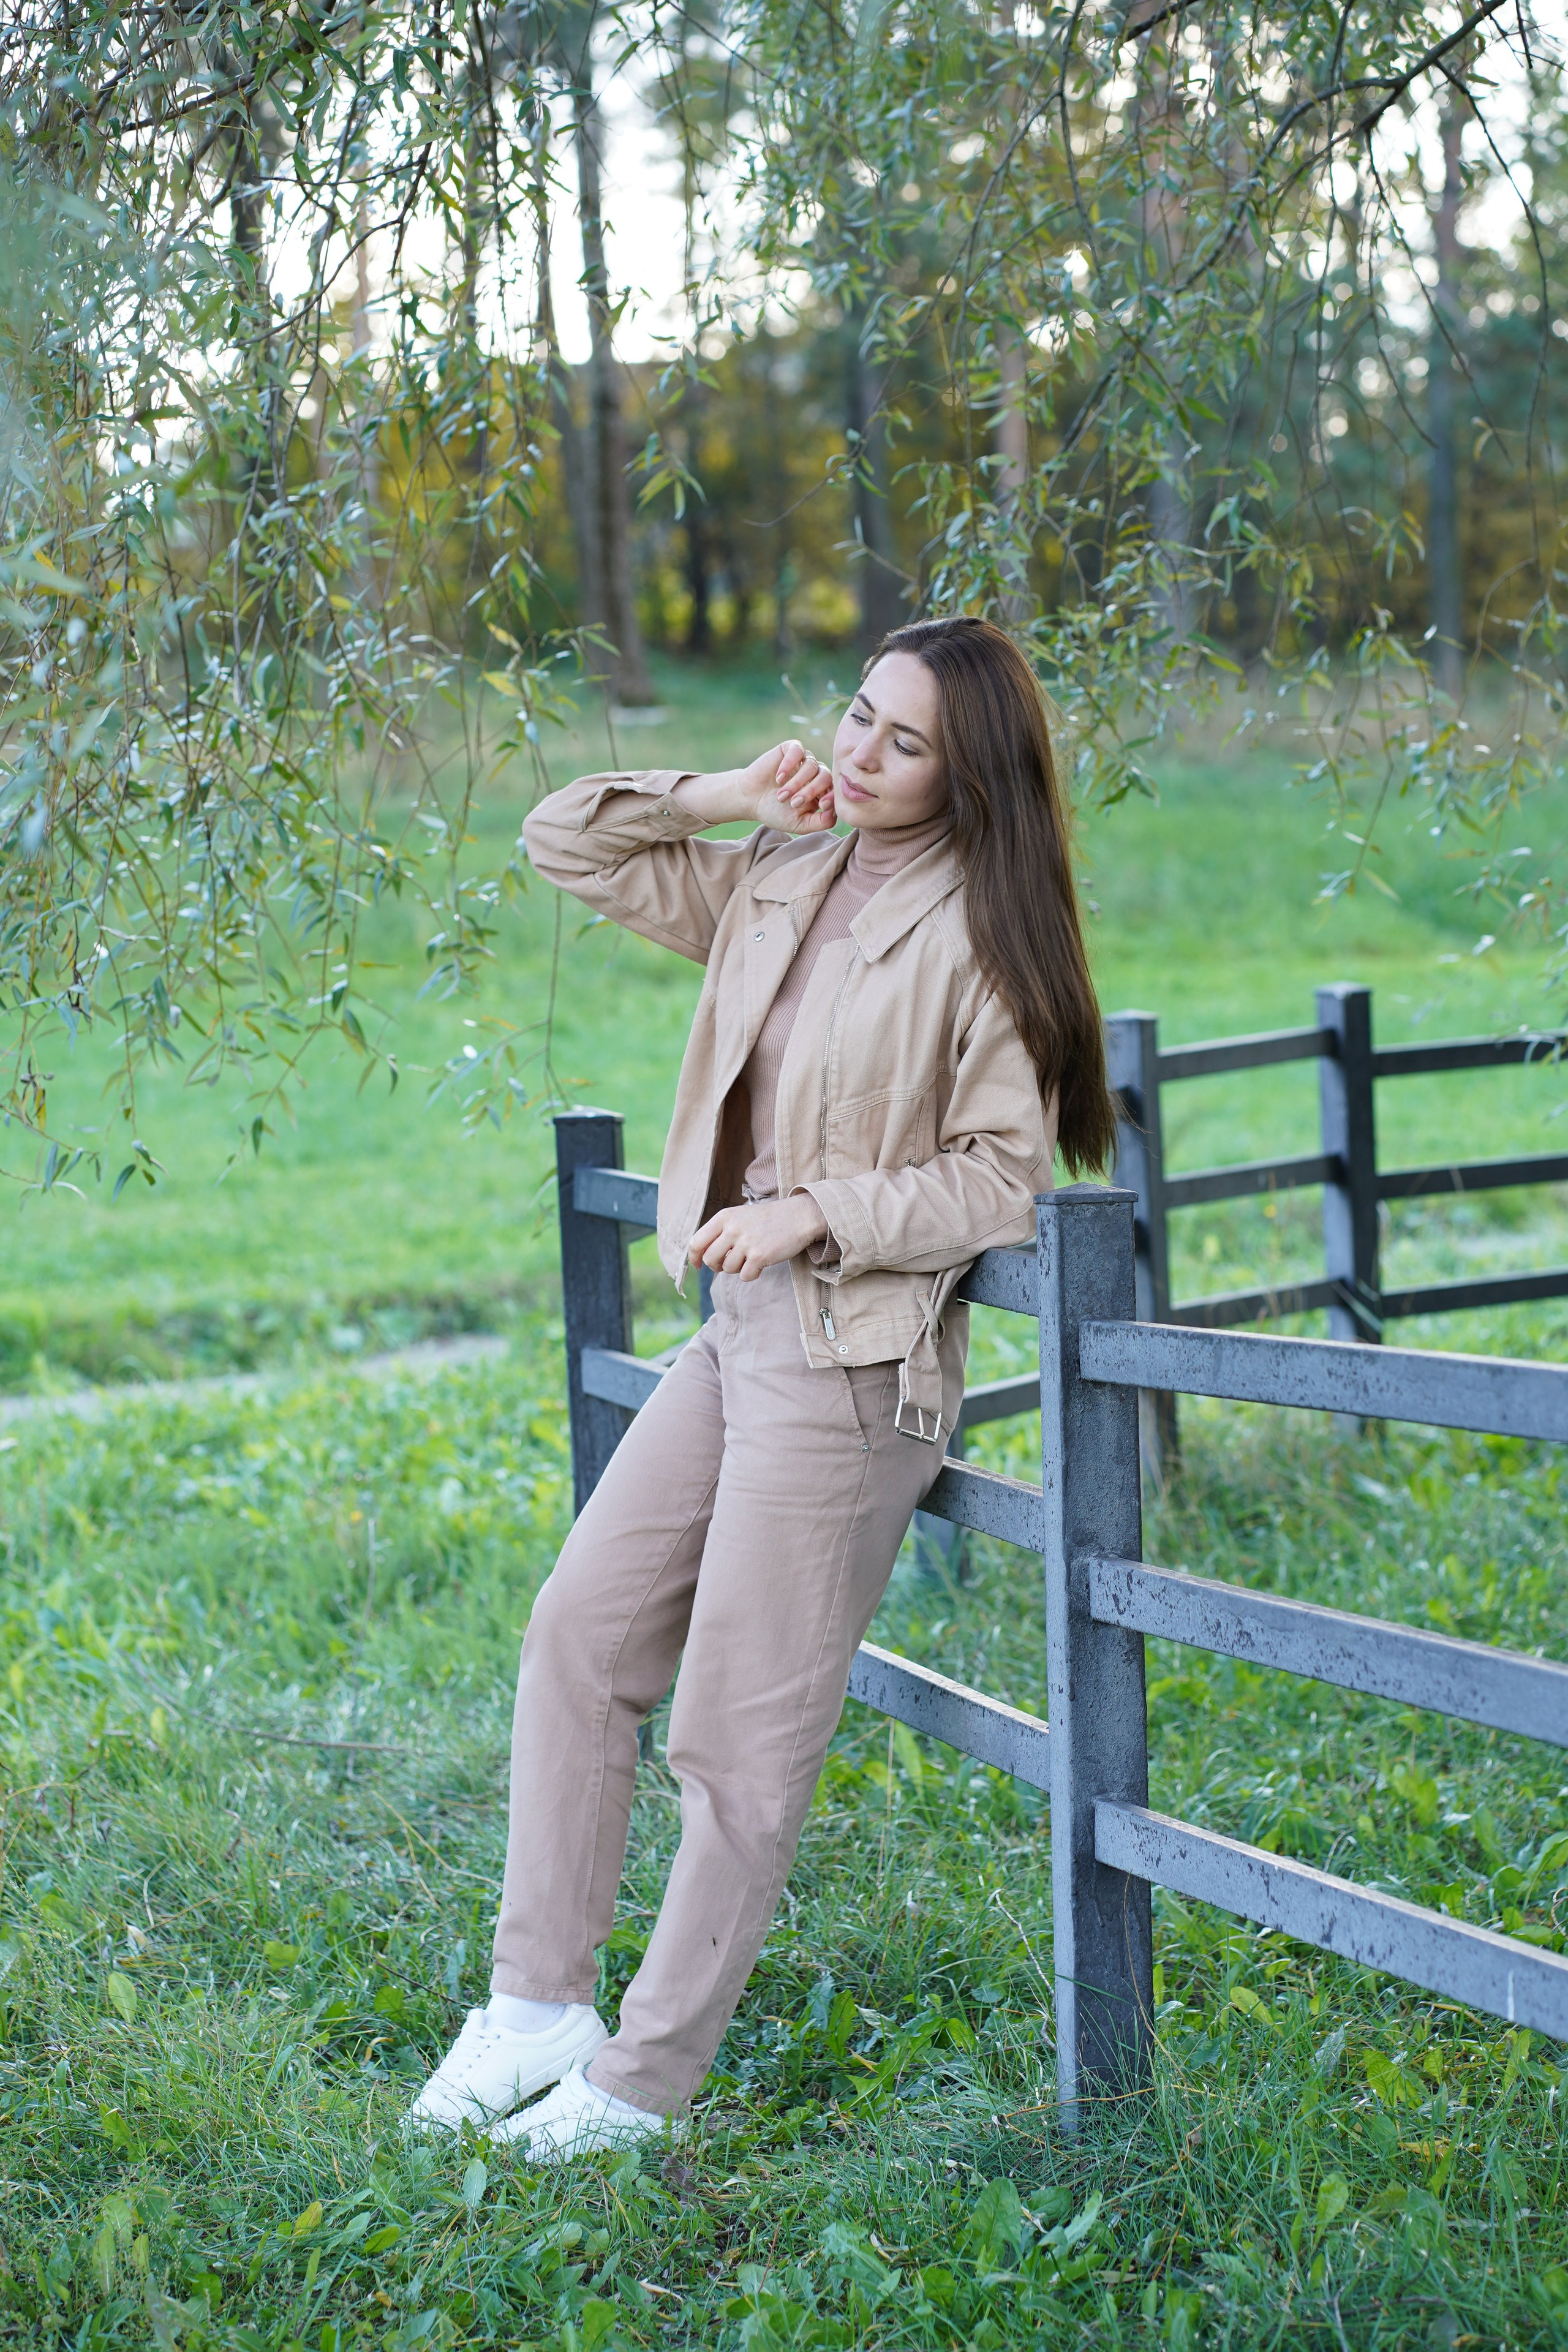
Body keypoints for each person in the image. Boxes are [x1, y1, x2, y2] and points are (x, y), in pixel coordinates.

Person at [408, 616, 1116, 2159]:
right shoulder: (781, 868)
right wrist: (734, 789)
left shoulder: (979, 938)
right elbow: (564, 842)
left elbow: (1003, 1177)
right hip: (735, 1337)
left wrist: (821, 1209)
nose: (859, 756)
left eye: (902, 742)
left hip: (851, 1366)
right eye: (855, 719)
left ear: (969, 772)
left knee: (734, 1738)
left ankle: (644, 2081)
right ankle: (537, 2007)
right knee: (578, 1632)